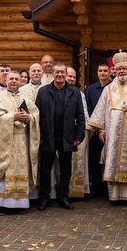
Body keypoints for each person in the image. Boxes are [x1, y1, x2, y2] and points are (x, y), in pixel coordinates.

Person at [0, 71, 39, 211]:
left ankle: (20, 204)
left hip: (22, 141)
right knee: (5, 170)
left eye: (16, 79)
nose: (14, 81)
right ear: (6, 80)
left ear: (20, 82)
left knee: (21, 169)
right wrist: (13, 116)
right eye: (11, 79)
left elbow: (35, 115)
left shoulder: (26, 98)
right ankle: (2, 203)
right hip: (4, 141)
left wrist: (29, 118)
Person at [34, 63, 88, 211]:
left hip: (67, 136)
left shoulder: (74, 92)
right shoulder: (43, 91)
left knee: (66, 169)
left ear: (66, 74)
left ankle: (63, 197)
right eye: (57, 72)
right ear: (52, 74)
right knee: (45, 169)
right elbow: (37, 115)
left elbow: (80, 116)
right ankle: (44, 198)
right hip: (48, 135)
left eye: (62, 72)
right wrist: (38, 136)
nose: (59, 75)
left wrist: (79, 135)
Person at [87, 52, 127, 204]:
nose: (122, 71)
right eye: (119, 69)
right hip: (112, 132)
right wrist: (101, 130)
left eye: (125, 68)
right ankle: (115, 196)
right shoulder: (108, 89)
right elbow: (101, 110)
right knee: (113, 160)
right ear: (114, 70)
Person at [84, 62, 111, 198]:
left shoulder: (113, 87)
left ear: (110, 72)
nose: (103, 73)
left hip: (110, 131)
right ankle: (95, 188)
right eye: (100, 71)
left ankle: (107, 189)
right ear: (97, 73)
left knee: (107, 159)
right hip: (95, 130)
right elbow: (88, 108)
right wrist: (97, 127)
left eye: (105, 71)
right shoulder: (90, 89)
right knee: (94, 160)